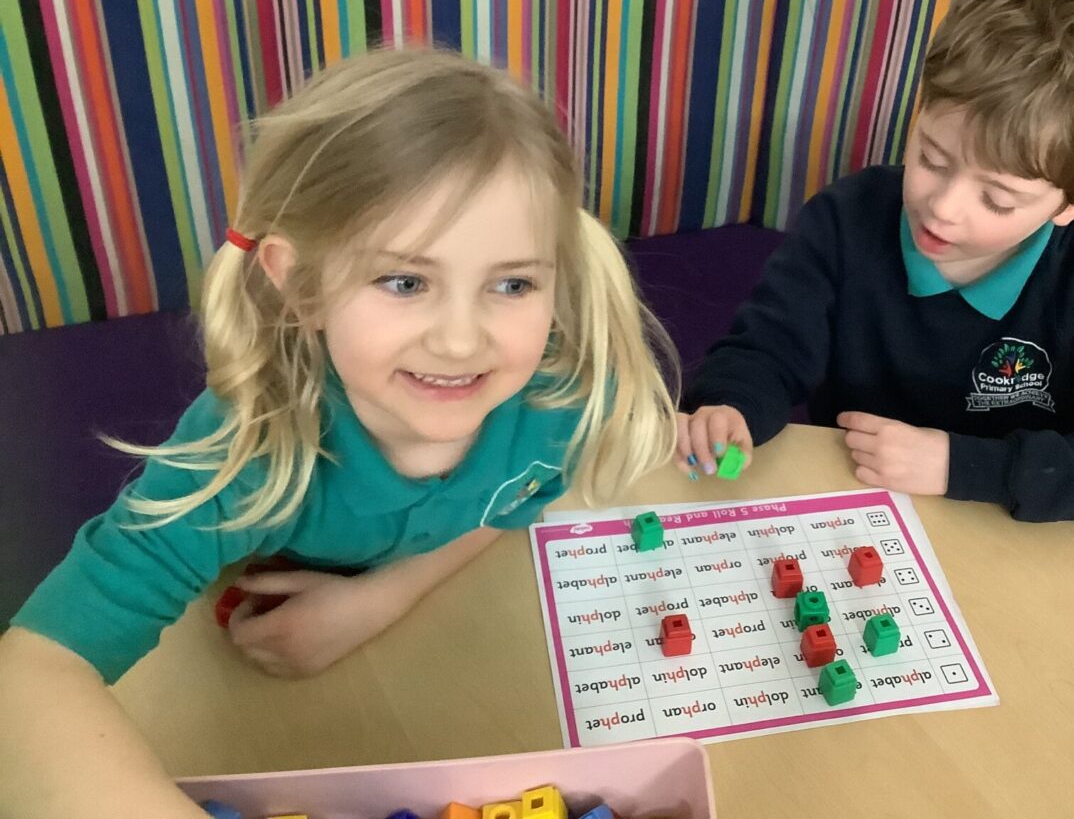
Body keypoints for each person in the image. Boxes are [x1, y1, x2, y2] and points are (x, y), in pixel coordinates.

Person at [0, 47, 677, 815]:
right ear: (302, 284)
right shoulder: (247, 451)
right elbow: (34, 670)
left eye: (512, 283)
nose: (461, 341)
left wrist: (382, 599)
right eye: (405, 282)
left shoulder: (564, 403)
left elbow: (512, 503)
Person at [678, 0, 1074, 526]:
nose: (943, 208)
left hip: (1005, 529)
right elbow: (766, 350)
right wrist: (729, 405)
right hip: (858, 509)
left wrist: (961, 466)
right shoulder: (846, 218)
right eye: (931, 157)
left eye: (997, 199)